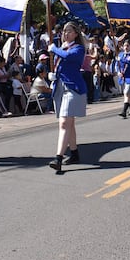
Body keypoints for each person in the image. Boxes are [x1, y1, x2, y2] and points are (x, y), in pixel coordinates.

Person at [47, 21, 88, 172]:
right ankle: (75, 153)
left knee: (65, 122)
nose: (65, 34)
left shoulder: (78, 48)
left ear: (76, 33)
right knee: (68, 123)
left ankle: (58, 158)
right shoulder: (62, 47)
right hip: (60, 87)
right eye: (64, 31)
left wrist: (54, 49)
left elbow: (68, 57)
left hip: (73, 88)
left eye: (69, 31)